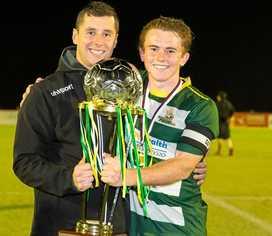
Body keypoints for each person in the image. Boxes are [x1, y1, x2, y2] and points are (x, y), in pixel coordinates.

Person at [14, 2, 207, 236]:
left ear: (115, 40)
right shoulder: (46, 92)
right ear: (75, 35)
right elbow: (24, 162)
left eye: (107, 34)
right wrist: (69, 179)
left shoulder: (130, 85)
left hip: (119, 226)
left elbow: (152, 128)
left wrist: (191, 163)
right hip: (61, 225)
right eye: (91, 32)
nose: (98, 41)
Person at [101, 16, 219, 235]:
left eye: (171, 51)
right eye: (153, 49)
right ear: (142, 53)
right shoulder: (128, 87)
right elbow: (86, 85)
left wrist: (127, 176)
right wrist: (39, 90)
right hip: (129, 223)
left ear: (184, 57)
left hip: (175, 225)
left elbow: (183, 166)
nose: (161, 57)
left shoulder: (200, 106)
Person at [215, 90, 235, 156]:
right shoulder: (228, 103)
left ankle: (219, 150)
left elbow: (215, 113)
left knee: (219, 137)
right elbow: (232, 111)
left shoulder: (218, 104)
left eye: (218, 96)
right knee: (227, 137)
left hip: (219, 122)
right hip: (226, 122)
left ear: (220, 97)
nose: (217, 97)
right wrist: (229, 117)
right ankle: (231, 148)